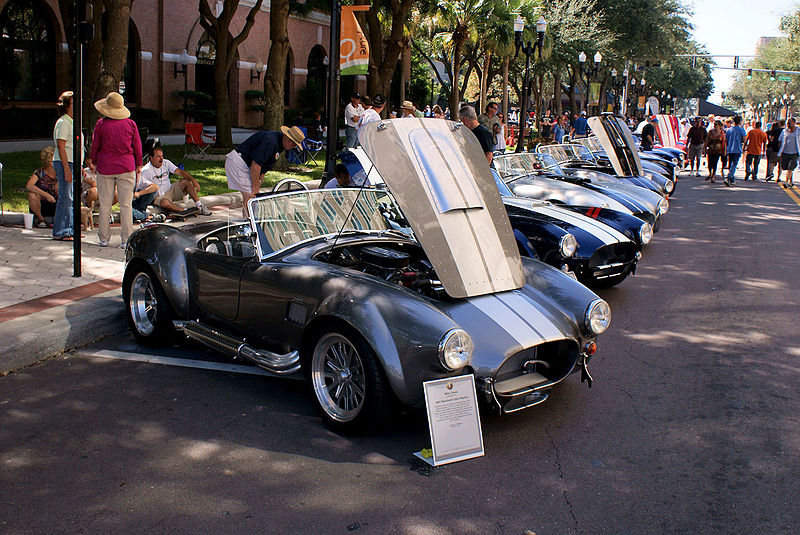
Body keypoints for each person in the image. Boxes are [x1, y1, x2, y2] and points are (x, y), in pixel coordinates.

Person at [89, 91, 141, 248]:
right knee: (126, 205)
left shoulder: (101, 124)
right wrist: (138, 164)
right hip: (126, 166)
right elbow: (137, 146)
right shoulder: (130, 124)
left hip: (105, 167)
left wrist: (94, 160)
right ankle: (126, 239)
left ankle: (104, 238)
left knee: (105, 203)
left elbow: (95, 145)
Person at [225, 125, 305, 217]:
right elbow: (256, 165)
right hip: (238, 162)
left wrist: (259, 182)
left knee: (252, 197)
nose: (292, 146)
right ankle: (250, 224)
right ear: (287, 138)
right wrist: (255, 188)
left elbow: (264, 166)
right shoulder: (270, 141)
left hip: (247, 164)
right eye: (292, 142)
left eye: (295, 144)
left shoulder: (280, 144)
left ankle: (249, 222)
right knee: (251, 197)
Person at [133, 144, 211, 221]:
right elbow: (143, 188)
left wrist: (193, 180)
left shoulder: (166, 163)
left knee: (186, 182)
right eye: (158, 156)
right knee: (165, 203)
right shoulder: (146, 170)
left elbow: (179, 172)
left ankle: (199, 205)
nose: (161, 159)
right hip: (159, 196)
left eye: (162, 156)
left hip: (171, 190)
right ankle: (184, 210)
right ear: (151, 158)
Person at [52, 91, 83, 241]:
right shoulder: (63, 122)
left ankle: (71, 229)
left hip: (74, 163)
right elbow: (61, 145)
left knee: (73, 197)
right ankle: (62, 230)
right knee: (67, 197)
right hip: (66, 162)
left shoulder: (72, 122)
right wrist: (66, 168)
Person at [26, 146, 58, 228]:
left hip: (57, 203)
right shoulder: (39, 172)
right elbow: (29, 186)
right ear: (51, 162)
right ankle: (41, 219)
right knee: (32, 194)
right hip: (42, 205)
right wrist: (46, 195)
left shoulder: (60, 173)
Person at [724, 115, 746, 186]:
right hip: (737, 149)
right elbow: (744, 139)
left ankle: (732, 180)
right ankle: (728, 177)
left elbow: (726, 140)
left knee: (730, 164)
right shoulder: (741, 129)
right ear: (739, 121)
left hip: (730, 149)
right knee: (734, 164)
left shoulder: (729, 130)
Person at [777, 117, 799, 188]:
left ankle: (787, 182)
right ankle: (791, 181)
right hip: (785, 152)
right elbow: (780, 140)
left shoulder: (798, 131)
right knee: (786, 167)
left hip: (794, 153)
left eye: (789, 123)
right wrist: (780, 152)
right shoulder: (784, 131)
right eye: (787, 123)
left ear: (794, 123)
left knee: (790, 167)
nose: (788, 125)